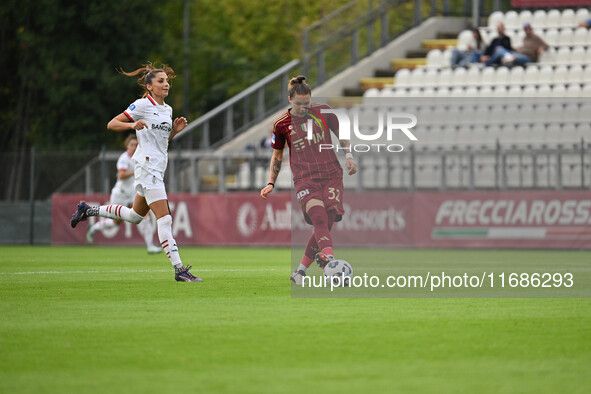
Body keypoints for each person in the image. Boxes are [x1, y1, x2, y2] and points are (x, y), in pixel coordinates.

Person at [70, 63, 202, 282]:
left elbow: (161, 142)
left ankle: (88, 211)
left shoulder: (167, 110)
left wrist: (174, 132)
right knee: (165, 219)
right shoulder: (141, 105)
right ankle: (179, 270)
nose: (166, 84)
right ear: (149, 86)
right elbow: (112, 124)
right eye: (160, 81)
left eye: (167, 81)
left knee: (135, 217)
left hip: (157, 168)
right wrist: (132, 126)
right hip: (146, 166)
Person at [260, 76, 357, 285]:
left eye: (307, 103)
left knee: (327, 222)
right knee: (319, 219)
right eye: (299, 104)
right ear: (289, 100)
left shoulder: (324, 111)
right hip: (305, 178)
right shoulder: (281, 125)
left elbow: (342, 134)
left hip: (331, 174)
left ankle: (300, 272)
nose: (304, 107)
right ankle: (330, 261)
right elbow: (277, 156)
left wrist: (349, 156)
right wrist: (271, 182)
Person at [86, 134, 162, 254]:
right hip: (120, 194)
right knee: (115, 223)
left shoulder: (140, 157)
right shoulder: (124, 158)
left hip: (132, 193)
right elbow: (121, 175)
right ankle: (94, 228)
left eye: (136, 145)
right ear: (127, 146)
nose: (134, 147)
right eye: (132, 145)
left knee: (145, 216)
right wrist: (135, 171)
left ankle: (150, 246)